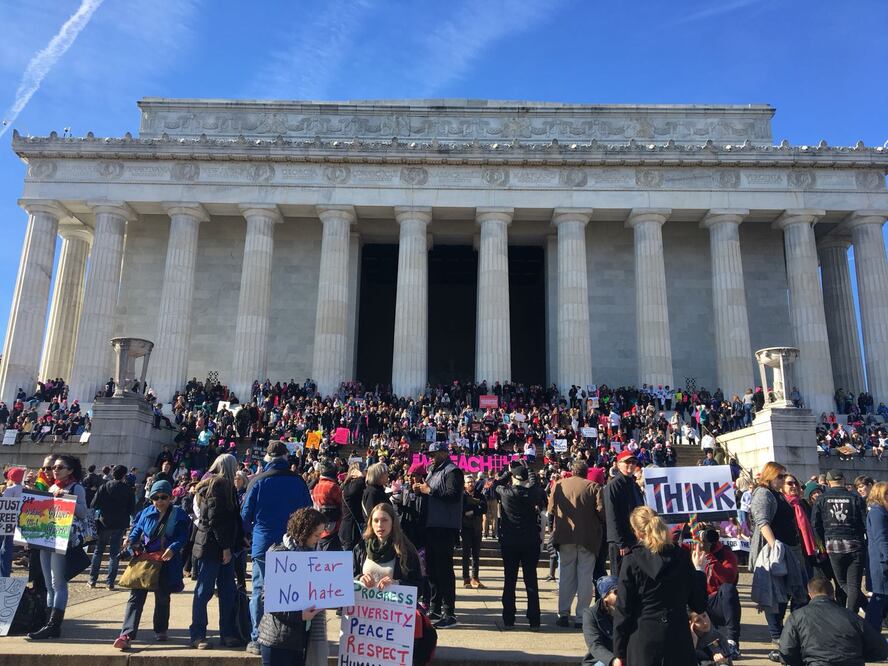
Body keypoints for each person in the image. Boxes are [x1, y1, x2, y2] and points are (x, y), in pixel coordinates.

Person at [241, 441, 313, 655]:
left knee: (259, 591)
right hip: (293, 544)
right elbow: (308, 512)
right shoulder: (298, 481)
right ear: (286, 458)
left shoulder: (257, 481)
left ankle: (257, 638)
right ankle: (287, 636)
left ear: (267, 459)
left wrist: (244, 536)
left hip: (263, 542)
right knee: (290, 592)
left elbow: (245, 516)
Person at [612, 506, 708, 666]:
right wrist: (699, 571)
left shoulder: (632, 561)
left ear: (637, 531)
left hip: (643, 637)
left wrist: (619, 652)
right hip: (678, 639)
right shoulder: (682, 556)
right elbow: (699, 604)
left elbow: (623, 610)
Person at [112, 480, 190, 650]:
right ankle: (126, 634)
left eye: (164, 497)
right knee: (135, 597)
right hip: (146, 560)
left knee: (162, 597)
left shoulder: (179, 515)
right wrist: (130, 541)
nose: (159, 501)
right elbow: (137, 530)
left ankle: (161, 628)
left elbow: (183, 535)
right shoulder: (146, 512)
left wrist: (173, 548)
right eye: (156, 497)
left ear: (170, 497)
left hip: (165, 561)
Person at [28, 455, 88, 640]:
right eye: (54, 467)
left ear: (70, 470)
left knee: (58, 582)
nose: (55, 470)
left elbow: (83, 512)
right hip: (46, 537)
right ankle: (48, 622)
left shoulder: (75, 487)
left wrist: (67, 498)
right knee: (48, 584)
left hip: (62, 539)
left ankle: (54, 624)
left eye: (60, 467)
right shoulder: (52, 487)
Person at [749, 461, 808, 642]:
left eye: (784, 476)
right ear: (770, 475)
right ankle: (777, 634)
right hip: (776, 550)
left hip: (789, 549)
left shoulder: (776, 494)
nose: (783, 480)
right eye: (780, 476)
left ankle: (788, 631)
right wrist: (775, 546)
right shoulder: (763, 493)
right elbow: (762, 521)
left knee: (796, 591)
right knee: (775, 594)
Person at [257, 507, 324, 666]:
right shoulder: (279, 554)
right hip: (277, 640)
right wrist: (300, 615)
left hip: (299, 639)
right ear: (304, 532)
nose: (319, 539)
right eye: (316, 535)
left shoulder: (312, 557)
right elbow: (269, 599)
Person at [190, 453, 243, 649]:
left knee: (225, 591)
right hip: (216, 547)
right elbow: (217, 519)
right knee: (207, 591)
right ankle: (199, 634)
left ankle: (222, 633)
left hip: (212, 544)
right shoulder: (220, 486)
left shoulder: (208, 484)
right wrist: (226, 548)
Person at [774, 576, 887, 666]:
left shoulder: (797, 617)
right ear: (833, 594)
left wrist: (804, 661)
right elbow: (881, 649)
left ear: (810, 595)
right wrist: (857, 656)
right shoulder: (852, 617)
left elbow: (787, 652)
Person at [548, 459, 605, 628]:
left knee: (565, 576)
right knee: (585, 577)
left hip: (565, 536)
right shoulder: (594, 487)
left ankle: (563, 613)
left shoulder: (558, 485)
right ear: (586, 472)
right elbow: (601, 513)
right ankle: (581, 616)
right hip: (588, 538)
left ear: (572, 471)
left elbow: (551, 509)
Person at [413, 441, 463, 629]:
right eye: (429, 455)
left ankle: (449, 612)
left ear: (444, 453)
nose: (431, 457)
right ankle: (434, 607)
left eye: (434, 454)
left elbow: (453, 495)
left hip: (445, 527)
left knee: (444, 570)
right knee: (432, 570)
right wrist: (420, 491)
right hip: (431, 526)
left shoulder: (453, 471)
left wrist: (429, 490)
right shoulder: (433, 471)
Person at [493, 461, 547, 629]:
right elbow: (537, 484)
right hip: (530, 541)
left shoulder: (506, 492)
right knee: (531, 580)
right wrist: (529, 470)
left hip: (510, 541)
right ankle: (534, 619)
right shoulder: (533, 493)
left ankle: (509, 617)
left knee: (510, 580)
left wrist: (508, 473)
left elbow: (495, 484)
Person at [811, 469, 867, 612]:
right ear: (844, 480)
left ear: (829, 483)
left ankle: (857, 612)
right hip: (855, 543)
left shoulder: (821, 499)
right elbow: (864, 523)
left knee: (842, 582)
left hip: (833, 545)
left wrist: (821, 544)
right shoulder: (855, 498)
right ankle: (857, 612)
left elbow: (815, 525)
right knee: (854, 584)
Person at [358, 502, 423, 591]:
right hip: (365, 603)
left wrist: (396, 584)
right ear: (371, 523)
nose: (380, 525)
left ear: (393, 522)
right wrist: (360, 578)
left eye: (384, 520)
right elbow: (348, 577)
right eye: (376, 520)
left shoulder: (405, 549)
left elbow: (419, 586)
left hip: (393, 603)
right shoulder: (361, 547)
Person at [89, 464, 135, 589]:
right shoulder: (128, 489)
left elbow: (94, 504)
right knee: (114, 553)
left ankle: (93, 579)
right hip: (120, 523)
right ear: (124, 475)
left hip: (104, 522)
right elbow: (132, 508)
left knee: (98, 551)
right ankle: (110, 582)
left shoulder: (104, 486)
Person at [604, 450, 644, 576]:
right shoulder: (613, 485)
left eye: (633, 462)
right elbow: (611, 515)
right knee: (620, 579)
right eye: (627, 462)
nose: (631, 465)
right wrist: (620, 542)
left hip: (634, 539)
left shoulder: (634, 484)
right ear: (618, 464)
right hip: (620, 542)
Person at [865, 481, 888, 631]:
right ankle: (870, 630)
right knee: (879, 597)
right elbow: (881, 538)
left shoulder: (880, 511)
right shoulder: (877, 512)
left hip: (882, 560)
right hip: (881, 562)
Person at [581, 576, 618, 666]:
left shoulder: (631, 611)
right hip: (601, 661)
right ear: (605, 597)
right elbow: (595, 645)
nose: (622, 595)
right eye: (616, 592)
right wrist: (613, 660)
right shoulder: (591, 614)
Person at [311, 460, 344, 551]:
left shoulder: (316, 487)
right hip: (334, 529)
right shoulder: (332, 486)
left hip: (321, 528)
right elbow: (342, 505)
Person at [0, 467, 24, 577]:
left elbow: (4, 505)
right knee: (8, 547)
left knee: (4, 547)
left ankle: (3, 572)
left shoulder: (9, 490)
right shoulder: (24, 489)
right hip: (18, 520)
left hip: (6, 521)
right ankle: (5, 572)